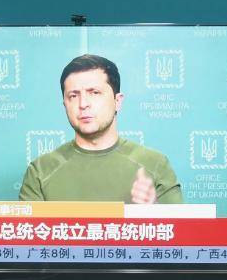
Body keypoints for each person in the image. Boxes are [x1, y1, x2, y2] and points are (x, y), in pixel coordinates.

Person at [19, 54, 182, 203]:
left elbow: (183, 232)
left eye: (95, 93)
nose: (83, 104)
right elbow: (30, 234)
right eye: (73, 96)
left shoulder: (155, 164)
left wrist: (154, 213)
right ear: (65, 105)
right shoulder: (40, 171)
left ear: (118, 101)